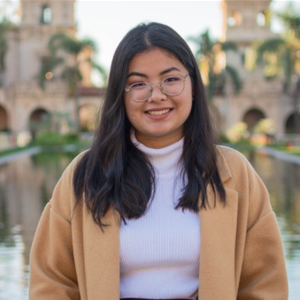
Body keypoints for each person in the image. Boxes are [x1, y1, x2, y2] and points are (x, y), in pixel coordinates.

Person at [29, 22, 288, 300]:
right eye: (138, 84)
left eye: (171, 79)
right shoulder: (84, 175)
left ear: (192, 85)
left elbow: (264, 282)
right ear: (121, 94)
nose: (157, 95)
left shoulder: (234, 173)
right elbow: (52, 282)